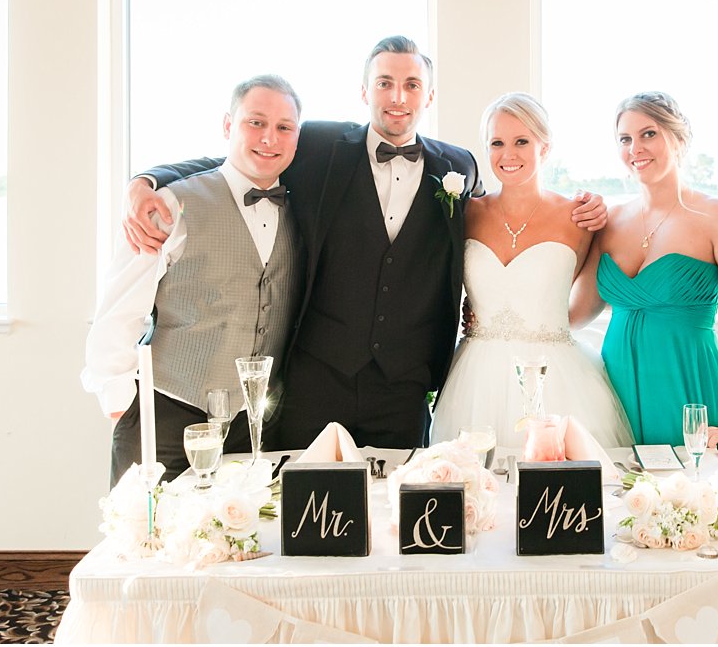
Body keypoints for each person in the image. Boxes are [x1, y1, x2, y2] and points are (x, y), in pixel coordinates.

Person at [127, 38, 608, 449]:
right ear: (364, 91)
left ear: (429, 96)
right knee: (309, 520)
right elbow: (241, 157)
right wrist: (149, 180)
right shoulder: (316, 145)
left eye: (412, 85)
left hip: (404, 387)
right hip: (315, 378)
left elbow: (505, 227)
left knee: (399, 524)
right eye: (385, 83)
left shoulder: (459, 166)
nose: (398, 97)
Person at [83, 75, 305, 483]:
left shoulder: (303, 212)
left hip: (252, 426)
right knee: (147, 541)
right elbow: (118, 312)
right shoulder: (169, 204)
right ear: (227, 125)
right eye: (255, 122)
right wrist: (125, 410)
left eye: (283, 127)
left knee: (242, 542)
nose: (269, 138)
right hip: (167, 414)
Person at [571, 93, 718, 450]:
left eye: (648, 134)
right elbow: (574, 315)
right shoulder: (610, 222)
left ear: (679, 139)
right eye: (625, 139)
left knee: (691, 502)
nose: (636, 147)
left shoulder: (716, 216)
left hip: (689, 391)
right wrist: (572, 235)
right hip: (616, 395)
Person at [429, 94, 631, 449]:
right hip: (476, 379)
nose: (508, 154)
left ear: (545, 147)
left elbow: (585, 303)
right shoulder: (466, 213)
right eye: (497, 143)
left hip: (556, 378)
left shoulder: (580, 217)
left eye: (522, 141)